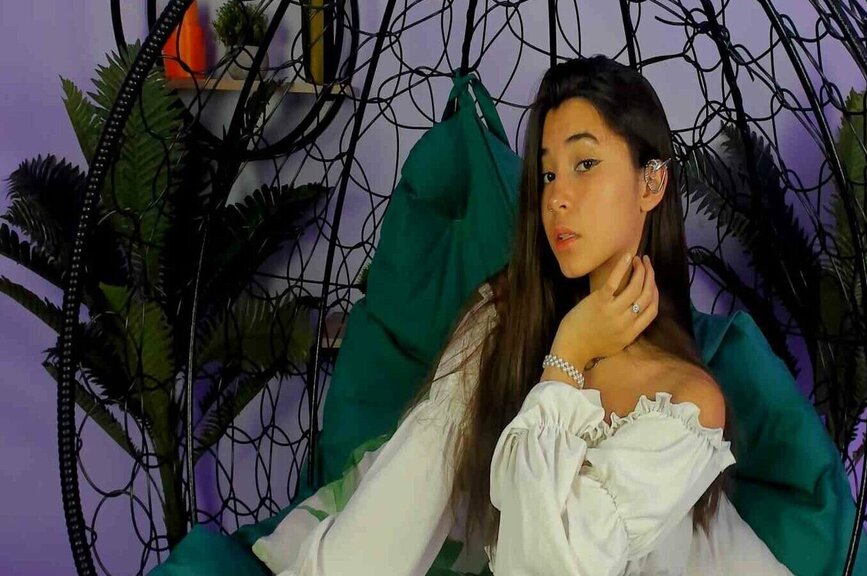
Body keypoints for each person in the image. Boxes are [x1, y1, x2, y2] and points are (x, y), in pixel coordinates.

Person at [274, 55, 794, 575]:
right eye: (547, 174)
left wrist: (566, 358)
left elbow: (545, 566)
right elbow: (414, 478)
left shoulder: (688, 403)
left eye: (585, 164)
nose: (557, 198)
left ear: (651, 184)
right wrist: (570, 349)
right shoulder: (505, 317)